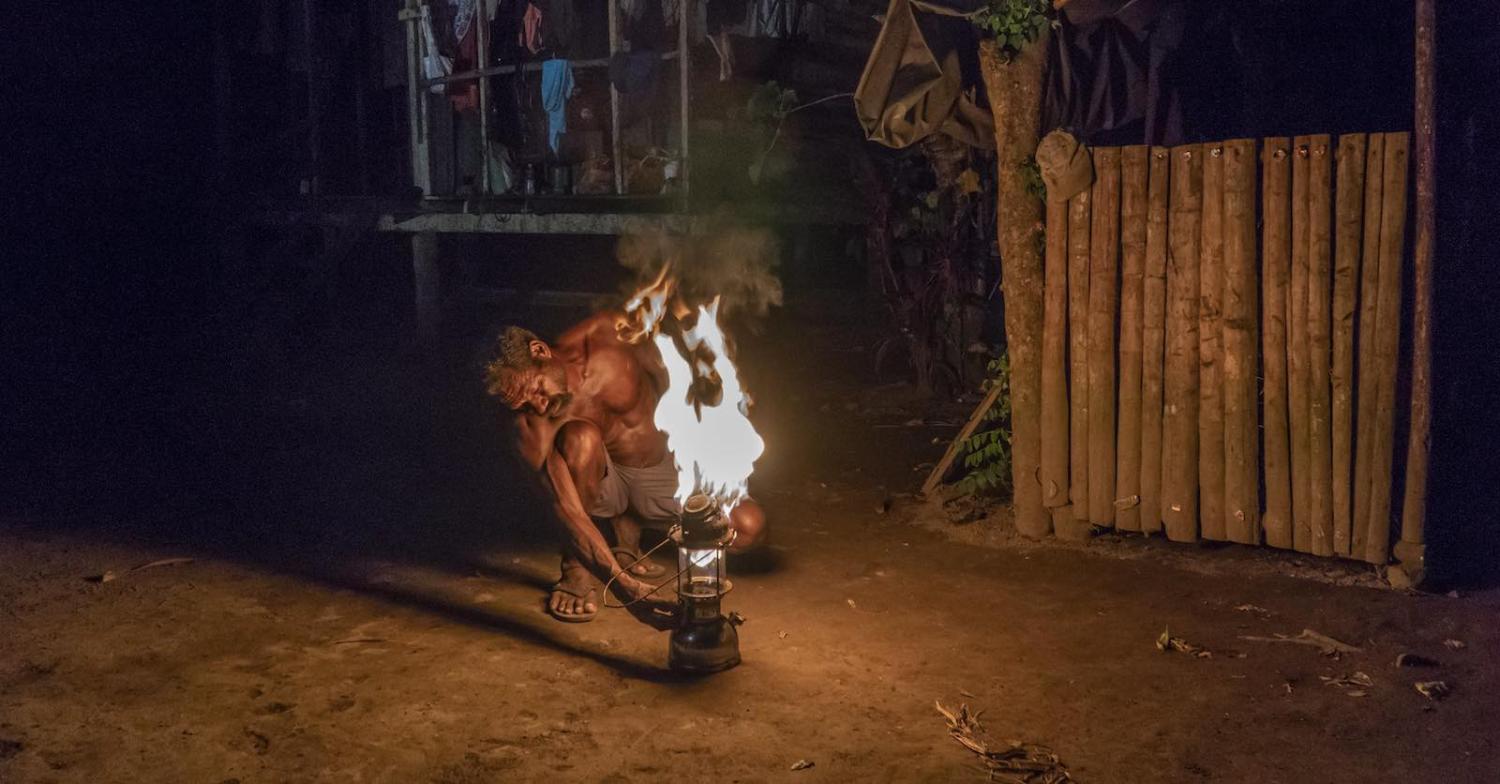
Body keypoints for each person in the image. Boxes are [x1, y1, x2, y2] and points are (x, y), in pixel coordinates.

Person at [484, 312, 768, 628]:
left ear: (540, 351)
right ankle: (576, 567)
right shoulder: (527, 426)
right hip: (602, 488)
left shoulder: (609, 334)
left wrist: (710, 437)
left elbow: (676, 378)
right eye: (522, 404)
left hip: (658, 470)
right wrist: (626, 589)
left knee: (747, 527)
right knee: (581, 438)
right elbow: (567, 512)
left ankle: (629, 534)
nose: (537, 407)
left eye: (536, 389)